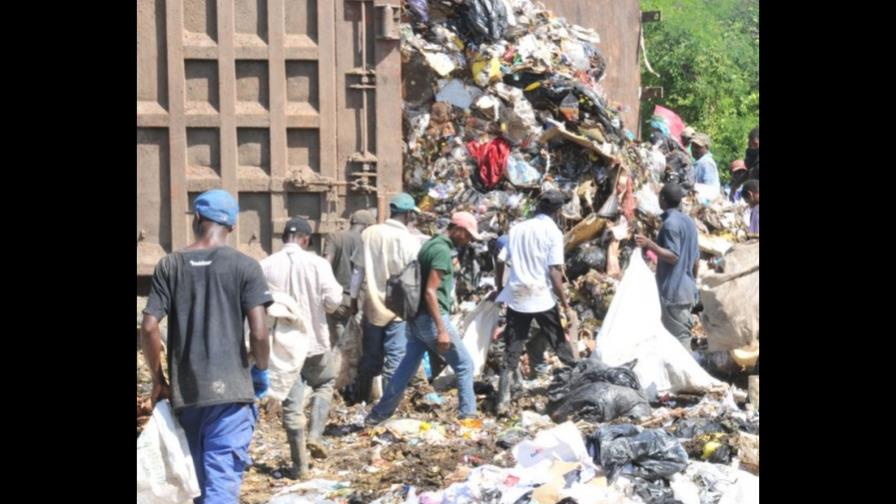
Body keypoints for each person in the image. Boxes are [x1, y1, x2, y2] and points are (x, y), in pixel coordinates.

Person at [140, 189, 273, 503]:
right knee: (221, 483)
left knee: (196, 486)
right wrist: (260, 368)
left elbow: (148, 326)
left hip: (187, 396)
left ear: (197, 217)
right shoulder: (246, 266)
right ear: (232, 226)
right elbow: (260, 333)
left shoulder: (169, 265)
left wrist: (159, 381)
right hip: (231, 396)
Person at [365, 212, 482, 424]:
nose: (469, 240)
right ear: (457, 229)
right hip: (431, 319)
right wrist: (442, 329)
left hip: (416, 318)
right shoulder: (441, 251)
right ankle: (468, 417)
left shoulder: (431, 244)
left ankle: (378, 415)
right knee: (465, 365)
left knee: (405, 369)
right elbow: (430, 291)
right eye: (468, 235)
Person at [260, 217, 343, 478]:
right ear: (306, 239)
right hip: (315, 341)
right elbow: (333, 301)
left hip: (284, 346)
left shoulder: (265, 266)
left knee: (291, 405)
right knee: (325, 382)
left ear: (283, 237)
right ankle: (316, 435)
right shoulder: (318, 264)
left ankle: (300, 467)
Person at [493, 191, 578, 417]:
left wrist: (499, 286)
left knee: (513, 345)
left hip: (518, 295)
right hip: (541, 296)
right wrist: (565, 304)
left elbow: (501, 259)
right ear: (558, 212)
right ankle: (577, 385)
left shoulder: (518, 228)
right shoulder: (553, 232)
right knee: (559, 342)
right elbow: (554, 272)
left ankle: (502, 401)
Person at [349, 193, 423, 405]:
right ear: (408, 214)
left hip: (372, 305)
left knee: (370, 357)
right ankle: (390, 405)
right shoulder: (409, 240)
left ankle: (360, 401)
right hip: (399, 308)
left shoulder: (369, 234)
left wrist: (354, 300)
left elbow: (358, 272)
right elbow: (414, 277)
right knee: (395, 357)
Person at [635, 183, 700, 350]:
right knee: (679, 337)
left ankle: (686, 374)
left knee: (679, 340)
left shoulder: (671, 224)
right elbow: (696, 259)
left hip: (674, 292)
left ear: (662, 199)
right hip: (686, 289)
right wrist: (692, 283)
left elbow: (673, 256)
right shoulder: (689, 222)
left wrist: (650, 244)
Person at [324, 209, 376, 343]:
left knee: (337, 340)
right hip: (359, 300)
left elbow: (325, 265)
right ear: (366, 226)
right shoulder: (368, 242)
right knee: (357, 340)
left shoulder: (335, 237)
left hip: (336, 299)